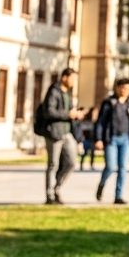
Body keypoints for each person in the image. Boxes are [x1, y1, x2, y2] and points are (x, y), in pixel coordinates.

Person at [41, 68, 84, 204]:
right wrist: (68, 114)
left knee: (71, 162)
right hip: (54, 133)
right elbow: (49, 112)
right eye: (72, 78)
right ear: (64, 77)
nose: (74, 82)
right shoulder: (54, 91)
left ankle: (56, 187)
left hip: (67, 132)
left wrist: (75, 114)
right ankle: (50, 196)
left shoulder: (68, 93)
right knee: (53, 164)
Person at [95, 78, 129, 204]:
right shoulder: (109, 102)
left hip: (126, 139)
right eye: (123, 88)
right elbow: (101, 122)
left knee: (123, 167)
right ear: (117, 88)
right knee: (110, 166)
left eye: (128, 89)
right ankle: (102, 184)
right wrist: (99, 138)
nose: (125, 91)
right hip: (111, 139)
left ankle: (118, 195)